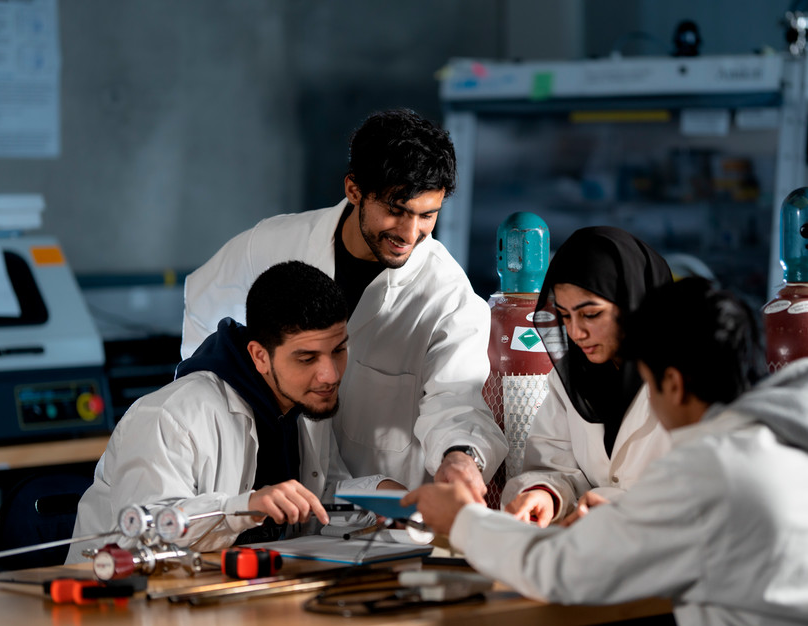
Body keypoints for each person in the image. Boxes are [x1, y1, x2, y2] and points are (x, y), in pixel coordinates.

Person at [405, 278, 808, 626]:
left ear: (672, 382)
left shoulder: (715, 467)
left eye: (645, 383)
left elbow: (561, 572)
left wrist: (464, 520)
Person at [181, 108, 506, 499]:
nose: (409, 232)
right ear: (354, 190)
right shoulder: (271, 244)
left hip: (376, 519)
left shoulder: (447, 298)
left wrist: (460, 456)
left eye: (427, 216)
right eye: (395, 210)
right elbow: (205, 313)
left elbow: (457, 400)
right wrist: (225, 412)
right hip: (262, 502)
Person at [68, 261, 403, 562]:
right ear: (259, 356)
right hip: (118, 605)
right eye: (307, 358)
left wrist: (382, 497)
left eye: (338, 350)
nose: (330, 375)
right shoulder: (170, 415)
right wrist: (245, 508)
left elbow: (317, 498)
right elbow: (148, 531)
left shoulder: (306, 403)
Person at [502, 226, 674, 525]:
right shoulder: (573, 378)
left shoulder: (687, 379)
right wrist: (546, 494)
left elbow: (701, 489)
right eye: (565, 316)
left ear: (633, 303)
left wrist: (611, 506)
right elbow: (553, 466)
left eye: (591, 314)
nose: (576, 333)